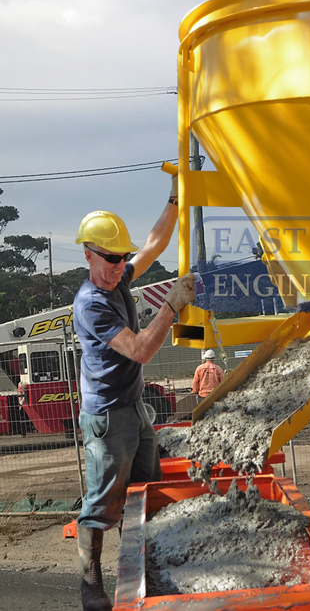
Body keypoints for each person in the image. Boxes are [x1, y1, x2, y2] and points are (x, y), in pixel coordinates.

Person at [72, 175, 195, 611]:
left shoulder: (118, 278)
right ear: (88, 254)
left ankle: (138, 575)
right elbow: (141, 350)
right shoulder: (92, 303)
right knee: (102, 506)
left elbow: (155, 244)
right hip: (107, 416)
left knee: (143, 494)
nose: (119, 265)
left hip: (133, 407)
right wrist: (171, 305)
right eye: (110, 258)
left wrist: (175, 197)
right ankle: (91, 586)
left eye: (122, 257)